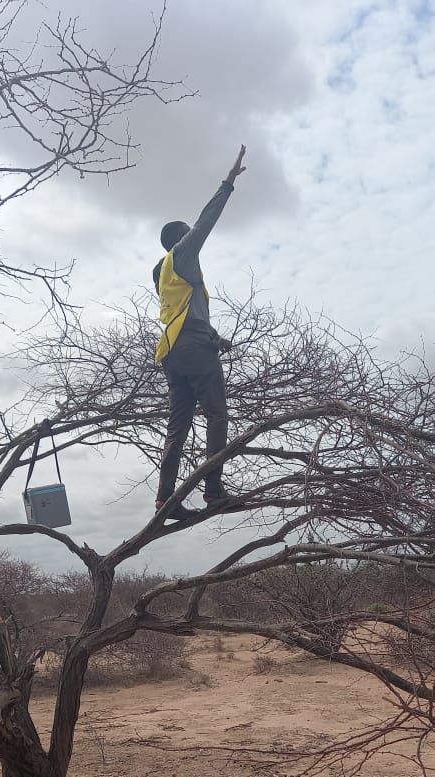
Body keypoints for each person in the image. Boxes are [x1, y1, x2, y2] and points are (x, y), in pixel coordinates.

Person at [153, 145, 247, 520]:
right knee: (218, 416)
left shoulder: (164, 272)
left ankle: (165, 501)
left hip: (173, 354)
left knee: (177, 430)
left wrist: (215, 337)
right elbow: (207, 220)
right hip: (192, 349)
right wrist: (228, 183)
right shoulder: (182, 254)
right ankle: (214, 491)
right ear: (182, 238)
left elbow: (184, 315)